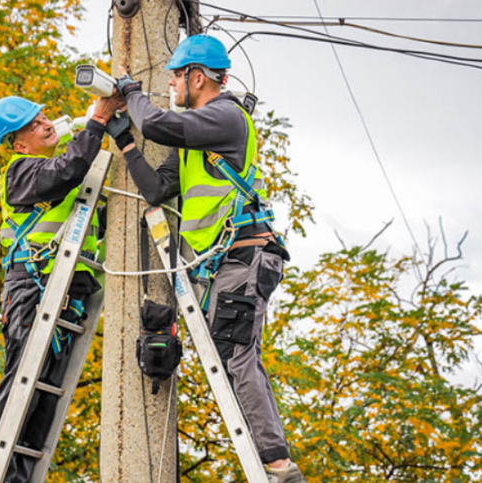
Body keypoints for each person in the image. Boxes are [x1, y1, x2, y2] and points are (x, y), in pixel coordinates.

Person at [105, 34, 306, 483]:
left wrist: (131, 92)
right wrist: (127, 145)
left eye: (177, 75)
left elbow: (158, 124)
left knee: (235, 354)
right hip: (227, 261)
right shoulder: (195, 133)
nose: (172, 83)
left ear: (198, 76)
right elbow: (157, 190)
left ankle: (278, 465)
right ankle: (274, 460)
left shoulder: (226, 116)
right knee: (231, 352)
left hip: (245, 253)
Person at [0, 94, 123, 483]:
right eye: (33, 124)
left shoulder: (57, 181)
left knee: (43, 398)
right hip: (33, 289)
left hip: (66, 295)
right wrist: (97, 122)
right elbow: (67, 169)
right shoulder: (20, 172)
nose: (45, 124)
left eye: (43, 117)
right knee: (23, 385)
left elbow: (93, 216)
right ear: (18, 144)